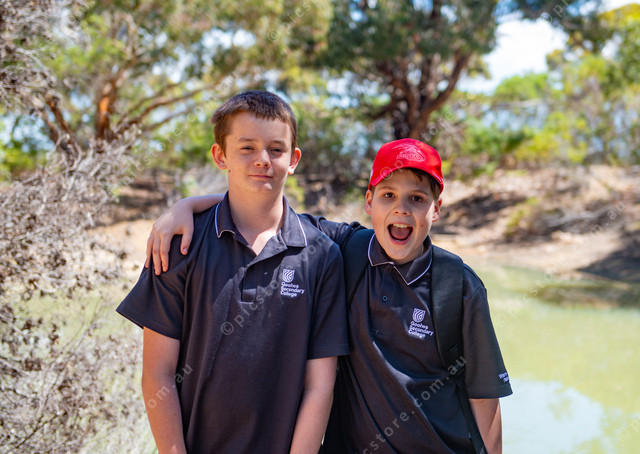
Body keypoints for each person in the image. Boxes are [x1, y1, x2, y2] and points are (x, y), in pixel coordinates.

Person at [146, 138, 513, 453]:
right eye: (388, 195)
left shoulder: (458, 285)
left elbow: (484, 396)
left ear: (437, 209)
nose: (401, 208)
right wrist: (188, 206)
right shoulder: (343, 249)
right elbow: (266, 208)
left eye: (417, 198)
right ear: (369, 202)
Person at [117, 90, 349, 454]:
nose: (262, 159)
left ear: (293, 159)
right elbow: (158, 374)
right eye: (246, 148)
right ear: (220, 156)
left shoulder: (321, 256)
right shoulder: (180, 245)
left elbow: (319, 386)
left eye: (276, 149)